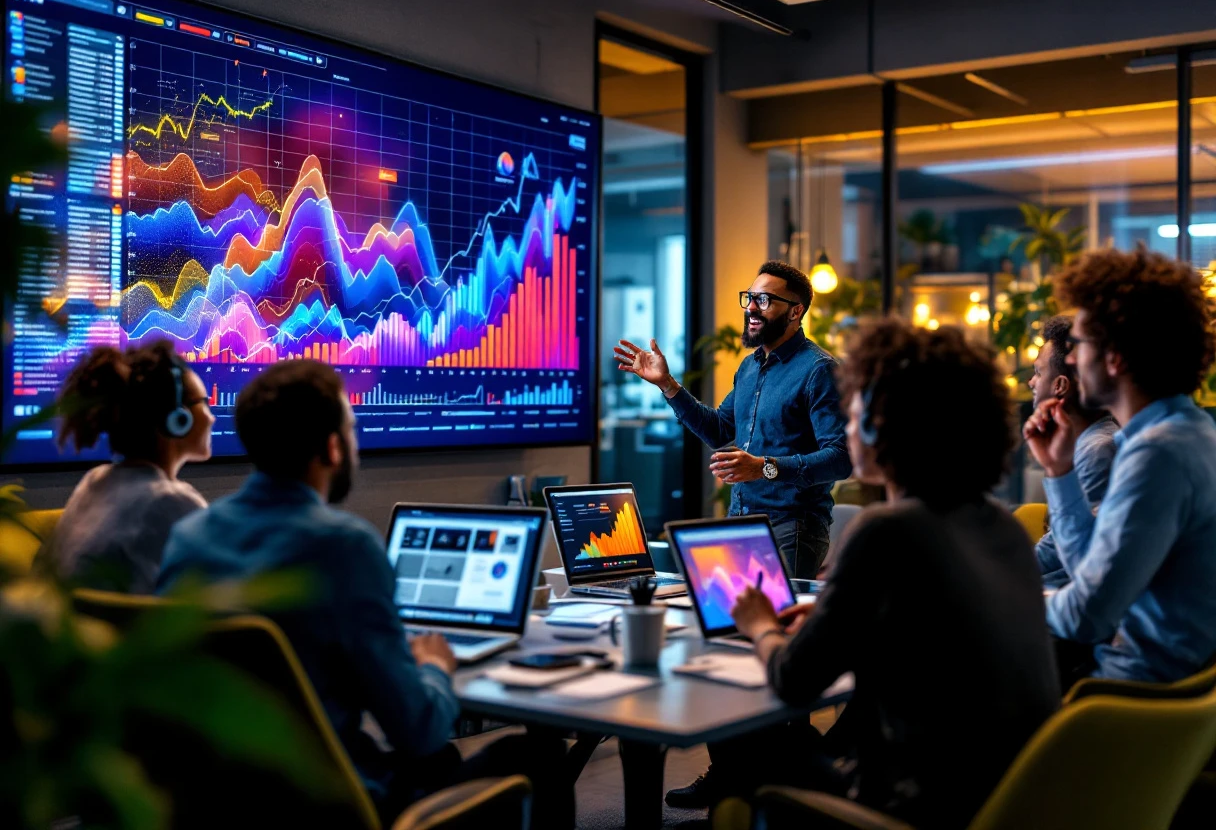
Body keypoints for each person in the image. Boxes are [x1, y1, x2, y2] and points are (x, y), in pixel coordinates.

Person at [156, 360, 572, 827]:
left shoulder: (187, 538)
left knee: (438, 766)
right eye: (352, 431)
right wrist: (434, 667)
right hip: (333, 804)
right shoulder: (344, 546)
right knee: (536, 755)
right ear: (333, 448)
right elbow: (418, 730)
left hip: (214, 801)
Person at [719, 319, 1059, 828]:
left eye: (854, 415)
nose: (849, 431)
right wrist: (838, 612)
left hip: (916, 806)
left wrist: (759, 623)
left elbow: (793, 682)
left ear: (880, 426)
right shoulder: (1004, 528)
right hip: (1006, 796)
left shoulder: (887, 529)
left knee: (751, 746)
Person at [1024, 247, 1216, 684]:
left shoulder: (1158, 455)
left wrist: (999, 597)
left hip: (1126, 696)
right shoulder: (1189, 432)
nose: (1071, 360)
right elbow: (1090, 570)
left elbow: (1085, 618)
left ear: (1115, 357)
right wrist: (1059, 473)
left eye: (1081, 344)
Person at [615, 260, 851, 578]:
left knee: (777, 625)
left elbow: (840, 459)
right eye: (749, 297)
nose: (752, 307)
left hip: (791, 529)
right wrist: (667, 385)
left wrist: (764, 466)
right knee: (732, 623)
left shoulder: (818, 370)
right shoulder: (750, 366)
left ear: (795, 311)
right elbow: (718, 430)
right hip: (741, 523)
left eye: (764, 300)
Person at [35, 341, 213, 592]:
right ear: (176, 419)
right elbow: (220, 589)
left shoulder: (95, 480)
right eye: (202, 403)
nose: (211, 416)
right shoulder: (170, 500)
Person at [1026, 314, 1118, 588]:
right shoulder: (1088, 444)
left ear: (1060, 386)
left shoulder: (1098, 450)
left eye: (1039, 372)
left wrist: (1000, 575)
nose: (1031, 382)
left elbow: (1069, 553)